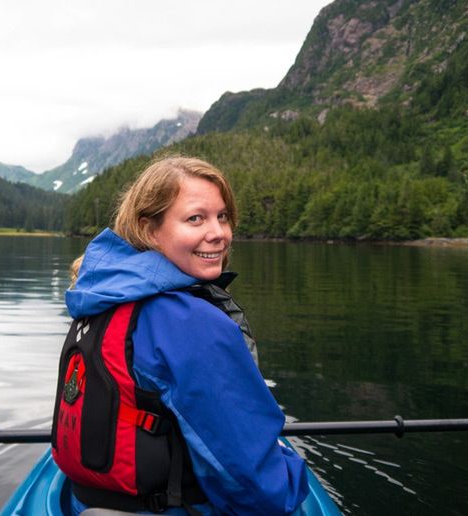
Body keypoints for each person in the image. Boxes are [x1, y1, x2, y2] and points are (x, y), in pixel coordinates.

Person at [51, 156, 308, 515]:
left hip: (86, 501)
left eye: (223, 216)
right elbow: (255, 486)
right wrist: (295, 482)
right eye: (195, 218)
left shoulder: (99, 298)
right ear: (150, 230)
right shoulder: (189, 323)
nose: (218, 233)